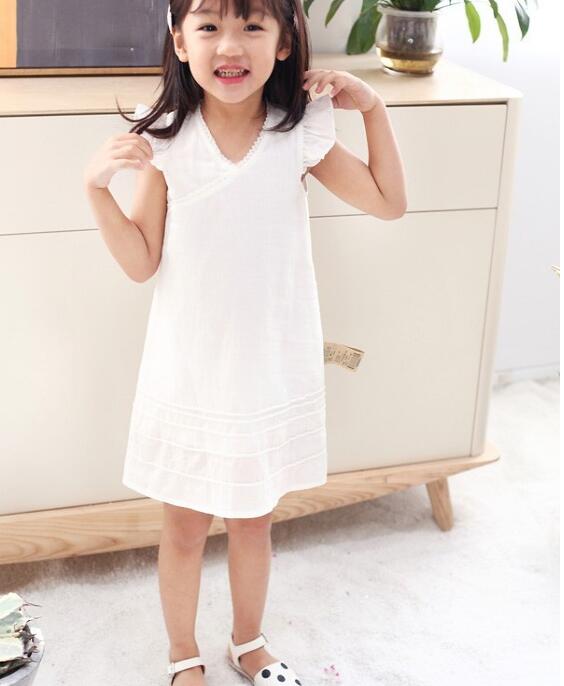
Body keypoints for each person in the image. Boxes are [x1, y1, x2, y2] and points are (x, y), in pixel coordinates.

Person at [83, 0, 406, 684]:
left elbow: (387, 201)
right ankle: (183, 654)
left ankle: (248, 641)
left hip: (266, 368)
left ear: (285, 43)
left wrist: (373, 109)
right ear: (180, 41)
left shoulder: (299, 134)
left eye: (252, 26)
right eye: (209, 27)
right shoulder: (166, 142)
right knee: (184, 527)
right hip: (190, 370)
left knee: (254, 522)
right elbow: (141, 262)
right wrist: (97, 190)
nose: (229, 45)